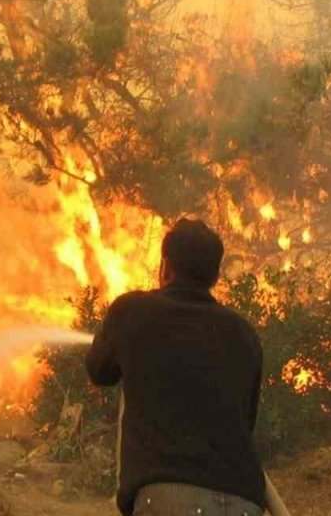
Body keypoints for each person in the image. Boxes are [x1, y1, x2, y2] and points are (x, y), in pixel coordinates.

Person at [86, 218, 271, 516]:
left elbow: (99, 370)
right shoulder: (244, 333)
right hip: (243, 500)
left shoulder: (132, 311)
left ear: (166, 267)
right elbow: (244, 421)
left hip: (169, 497)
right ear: (214, 276)